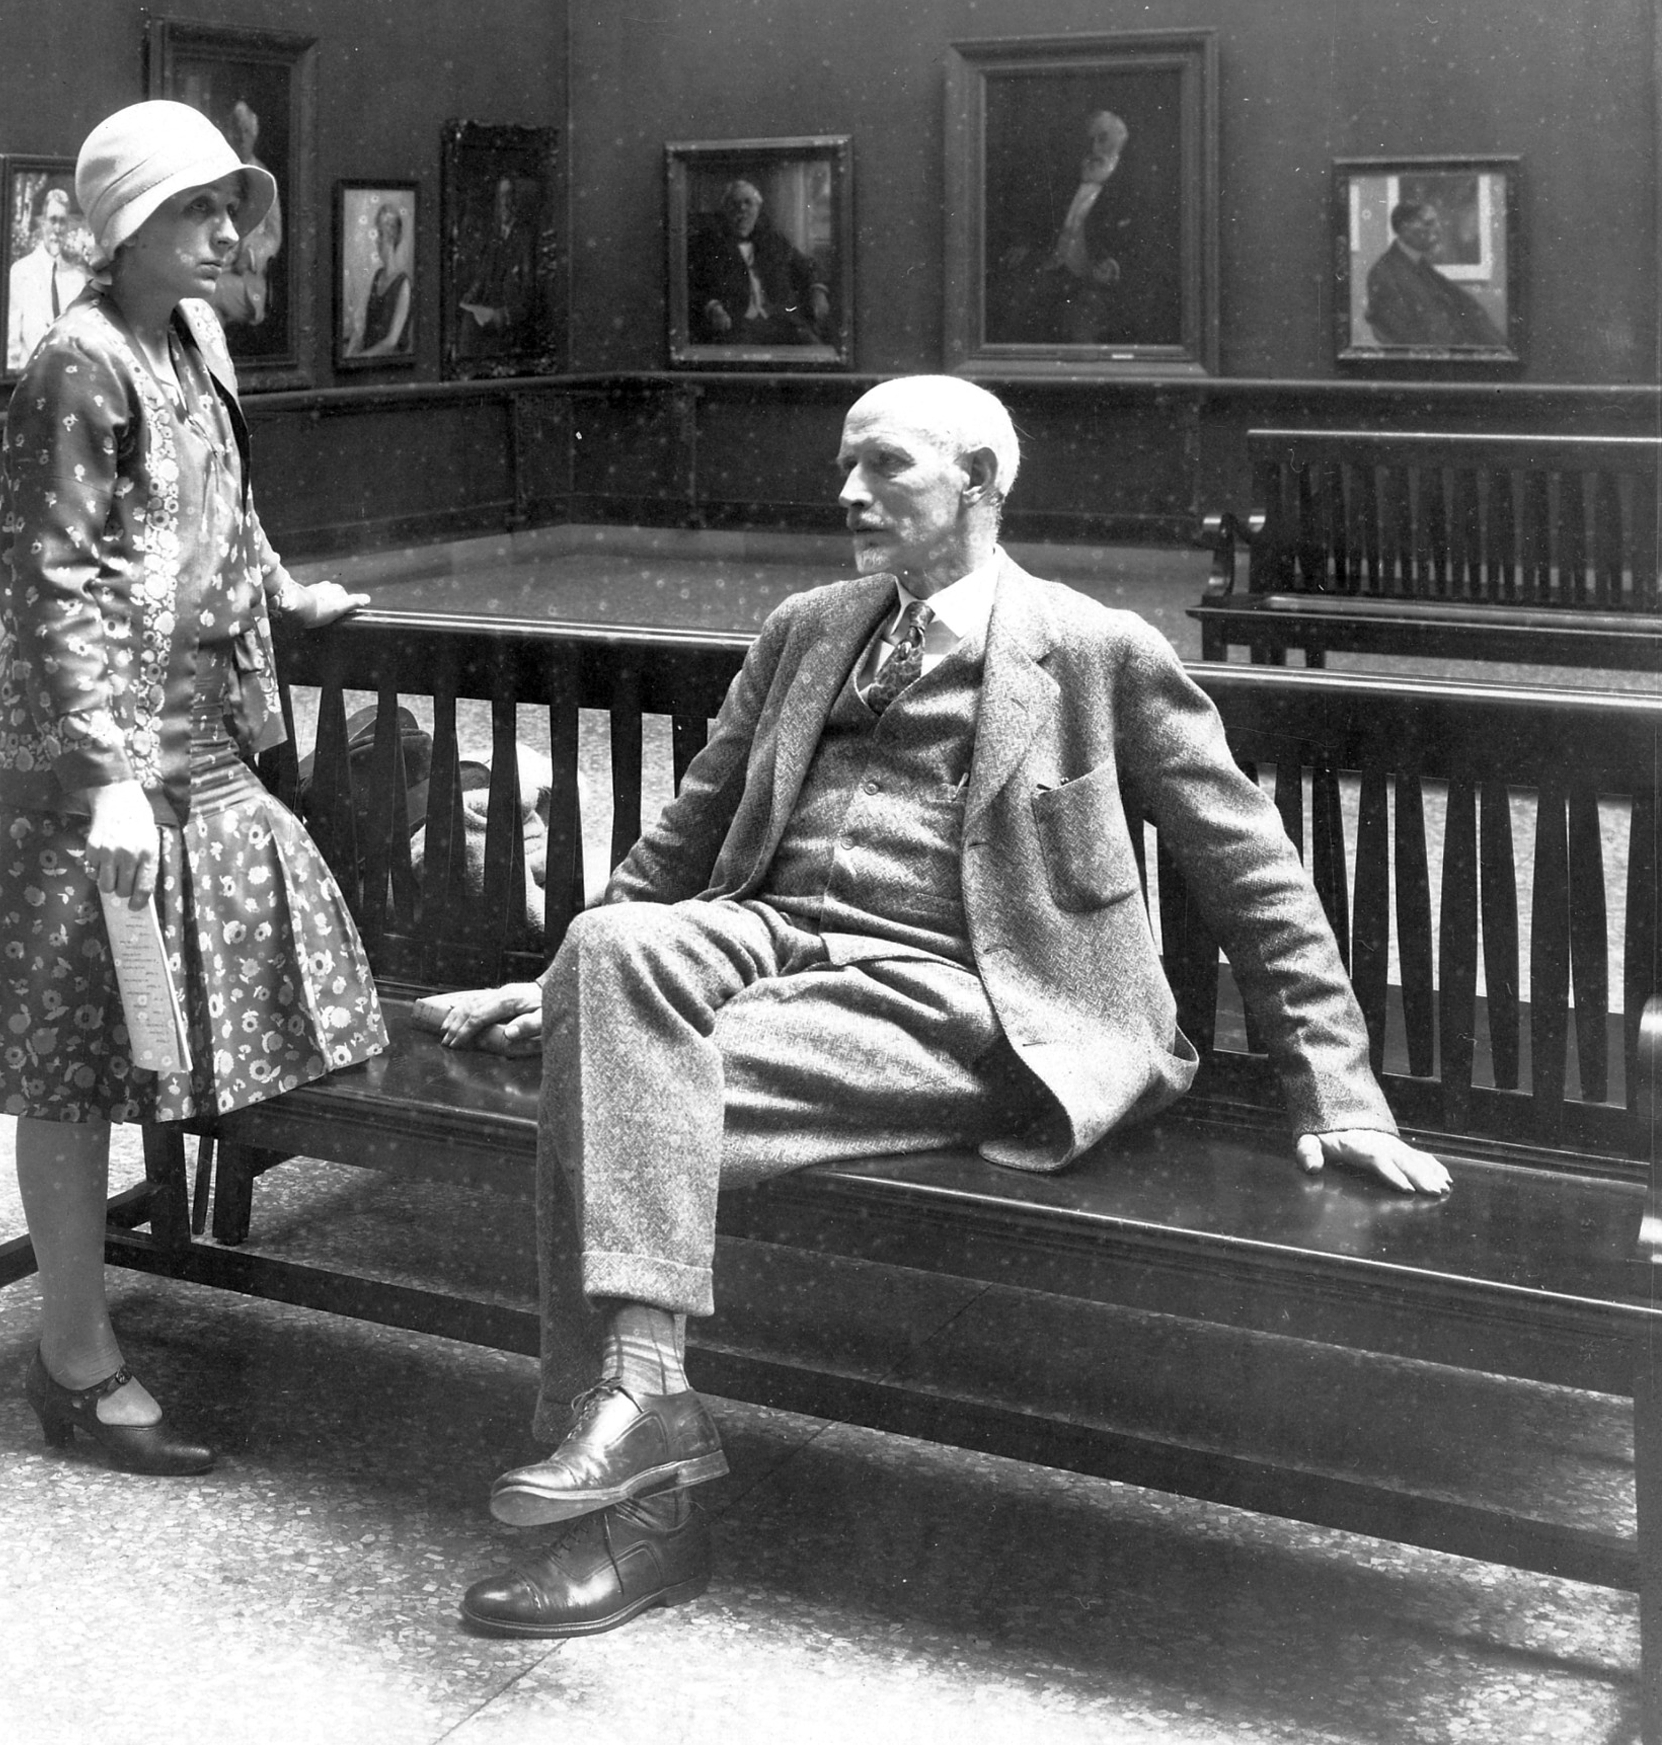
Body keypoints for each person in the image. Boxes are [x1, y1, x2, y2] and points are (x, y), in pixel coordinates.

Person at [430, 373, 1451, 1638]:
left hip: (961, 993)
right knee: (610, 947)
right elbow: (692, 828)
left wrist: (1339, 1089)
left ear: (980, 482)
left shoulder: (1093, 647)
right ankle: (647, 1409)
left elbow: (1253, 868)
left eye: (887, 468)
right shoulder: (811, 625)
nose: (849, 493)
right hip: (770, 943)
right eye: (845, 467)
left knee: (613, 1088)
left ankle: (641, 1523)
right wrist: (561, 986)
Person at [0, 98, 384, 1475]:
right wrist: (108, 782)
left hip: (203, 731)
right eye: (194, 211)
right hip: (101, 761)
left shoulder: (192, 343)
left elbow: (221, 511)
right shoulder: (74, 366)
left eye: (226, 207)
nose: (223, 234)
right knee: (73, 1051)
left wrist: (278, 590)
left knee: (195, 1016)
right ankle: (73, 1364)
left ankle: (134, 1307)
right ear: (123, 228)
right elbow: (55, 584)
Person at [997, 109, 1156, 346]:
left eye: (1102, 139)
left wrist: (1116, 264)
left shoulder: (1132, 189)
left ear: (1120, 141)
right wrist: (1027, 243)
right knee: (1012, 310)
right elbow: (1043, 219)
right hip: (1055, 268)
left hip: (1096, 280)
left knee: (1079, 327)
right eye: (1090, 140)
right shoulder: (1070, 177)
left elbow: (1143, 245)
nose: (1094, 148)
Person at [687, 178, 827, 347]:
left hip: (780, 320)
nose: (742, 210)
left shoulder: (773, 240)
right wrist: (713, 307)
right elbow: (693, 286)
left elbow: (806, 266)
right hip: (736, 325)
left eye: (748, 203)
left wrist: (818, 290)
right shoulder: (707, 244)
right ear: (725, 210)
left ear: (758, 209)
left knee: (813, 348)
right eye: (734, 204)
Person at [1363, 196, 1506, 349]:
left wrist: (1499, 346)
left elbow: (1468, 307)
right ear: (1405, 229)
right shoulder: (1384, 275)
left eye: (1436, 222)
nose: (1438, 229)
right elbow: (1406, 339)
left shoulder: (1422, 266)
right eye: (1428, 223)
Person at [455, 171, 547, 364]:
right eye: (501, 197)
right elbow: (481, 277)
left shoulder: (525, 237)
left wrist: (504, 315)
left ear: (517, 200)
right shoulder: (494, 236)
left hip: (511, 323)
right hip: (488, 315)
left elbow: (529, 293)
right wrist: (469, 299)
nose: (505, 203)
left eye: (509, 196)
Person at [208, 98, 282, 333]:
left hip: (247, 281)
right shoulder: (218, 173)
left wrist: (250, 257)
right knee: (208, 314)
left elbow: (274, 236)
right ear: (228, 133)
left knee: (201, 299)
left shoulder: (264, 178)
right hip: (217, 268)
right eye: (237, 131)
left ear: (255, 135)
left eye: (247, 131)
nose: (242, 137)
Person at [4, 182, 94, 371]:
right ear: (42, 222)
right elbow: (11, 343)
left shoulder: (78, 278)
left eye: (62, 221)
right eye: (52, 220)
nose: (57, 229)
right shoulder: (21, 272)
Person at [348, 200, 413, 359]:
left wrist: (359, 358)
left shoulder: (403, 284)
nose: (376, 240)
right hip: (369, 358)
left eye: (381, 234)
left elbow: (392, 341)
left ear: (391, 237)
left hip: (390, 365)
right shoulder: (378, 276)